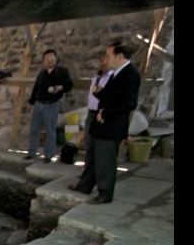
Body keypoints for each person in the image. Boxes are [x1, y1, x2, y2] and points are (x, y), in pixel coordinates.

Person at [87, 41, 141, 204]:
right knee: (99, 158)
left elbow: (130, 103)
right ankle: (97, 188)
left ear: (119, 56)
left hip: (112, 125)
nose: (106, 59)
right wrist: (99, 94)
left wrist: (106, 113)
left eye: (109, 56)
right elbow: (113, 97)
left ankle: (105, 194)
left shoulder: (130, 74)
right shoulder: (117, 73)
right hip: (104, 124)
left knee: (106, 161)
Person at [68, 54, 113, 195]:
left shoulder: (113, 79)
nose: (102, 63)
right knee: (89, 148)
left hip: (102, 114)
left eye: (105, 59)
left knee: (100, 152)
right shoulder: (96, 78)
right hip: (91, 114)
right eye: (101, 60)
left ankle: (99, 185)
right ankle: (86, 183)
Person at [26, 49, 73, 163]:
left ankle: (49, 155)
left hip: (51, 104)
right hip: (39, 104)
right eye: (47, 58)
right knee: (34, 129)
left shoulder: (62, 71)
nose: (50, 59)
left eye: (52, 57)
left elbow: (69, 85)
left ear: (56, 59)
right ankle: (32, 152)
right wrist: (31, 103)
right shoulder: (42, 73)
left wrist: (58, 88)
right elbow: (36, 88)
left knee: (50, 131)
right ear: (44, 61)